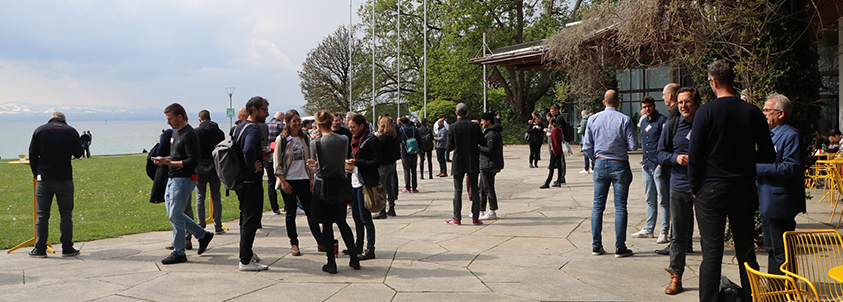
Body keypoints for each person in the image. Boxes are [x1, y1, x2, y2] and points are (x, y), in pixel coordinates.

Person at [688, 59, 775, 302]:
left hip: (711, 187)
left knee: (711, 254)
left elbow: (695, 155)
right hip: (743, 187)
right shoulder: (752, 112)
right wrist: (744, 159)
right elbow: (769, 155)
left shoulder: (705, 111)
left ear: (713, 82)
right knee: (747, 252)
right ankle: (752, 298)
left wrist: (695, 187)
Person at [152, 103, 215, 265]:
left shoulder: (189, 135)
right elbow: (177, 156)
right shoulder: (175, 132)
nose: (168, 122)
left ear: (180, 117)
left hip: (184, 179)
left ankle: (179, 252)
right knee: (175, 214)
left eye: (170, 119)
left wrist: (169, 162)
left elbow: (192, 161)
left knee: (176, 215)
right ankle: (202, 235)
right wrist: (165, 159)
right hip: (173, 178)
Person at [582, 89, 638, 258]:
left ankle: (596, 245)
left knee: (597, 206)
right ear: (618, 102)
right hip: (619, 163)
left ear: (603, 102)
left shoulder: (593, 119)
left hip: (600, 163)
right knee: (620, 207)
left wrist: (596, 159)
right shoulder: (625, 119)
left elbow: (587, 146)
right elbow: (633, 146)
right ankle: (620, 246)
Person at [657, 87, 702, 295]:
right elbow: (660, 153)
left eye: (688, 101)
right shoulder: (672, 125)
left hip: (703, 187)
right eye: (681, 102)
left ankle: (710, 279)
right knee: (678, 236)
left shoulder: (706, 125)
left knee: (709, 237)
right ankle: (676, 277)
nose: (683, 106)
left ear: (697, 103)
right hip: (679, 187)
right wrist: (676, 158)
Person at [757, 93, 805, 275]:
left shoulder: (791, 135)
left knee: (782, 252)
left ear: (781, 113)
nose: (764, 114)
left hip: (780, 203)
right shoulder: (768, 135)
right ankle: (775, 287)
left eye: (767, 110)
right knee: (771, 249)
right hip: (766, 200)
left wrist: (756, 167)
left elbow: (790, 168)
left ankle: (785, 287)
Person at [309, 110, 359, 274]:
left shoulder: (316, 143)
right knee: (342, 222)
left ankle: (331, 262)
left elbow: (317, 165)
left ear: (318, 125)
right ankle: (354, 258)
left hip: (323, 184)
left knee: (327, 225)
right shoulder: (344, 139)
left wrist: (314, 165)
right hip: (339, 182)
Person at [28, 112, 84, 258]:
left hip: (44, 177)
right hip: (64, 178)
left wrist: (36, 172)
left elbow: (32, 154)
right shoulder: (71, 131)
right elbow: (78, 154)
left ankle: (40, 248)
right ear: (64, 120)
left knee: (42, 215)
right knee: (66, 214)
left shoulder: (40, 130)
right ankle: (67, 247)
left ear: (51, 118)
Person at [273, 109, 322, 257]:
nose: (297, 123)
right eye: (294, 120)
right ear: (287, 122)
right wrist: (283, 182)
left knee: (311, 212)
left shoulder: (305, 138)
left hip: (304, 179)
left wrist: (312, 178)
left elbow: (310, 159)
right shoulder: (282, 139)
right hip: (288, 181)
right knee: (291, 213)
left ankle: (320, 241)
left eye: (298, 120)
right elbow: (277, 163)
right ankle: (294, 243)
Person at [232, 97, 271, 271]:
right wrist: (253, 167)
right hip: (251, 181)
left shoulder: (240, 127)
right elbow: (247, 150)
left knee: (245, 218)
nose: (267, 113)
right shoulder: (254, 129)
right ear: (254, 110)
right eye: (264, 110)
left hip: (241, 180)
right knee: (251, 220)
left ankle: (246, 252)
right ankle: (245, 260)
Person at [632, 96, 670, 244]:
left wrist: (661, 163)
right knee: (649, 198)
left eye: (649, 106)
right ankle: (649, 229)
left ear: (654, 106)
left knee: (663, 199)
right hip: (646, 165)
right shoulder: (643, 121)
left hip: (658, 165)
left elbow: (666, 142)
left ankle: (664, 231)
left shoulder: (662, 121)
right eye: (644, 107)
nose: (647, 109)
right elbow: (644, 142)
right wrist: (643, 161)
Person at [346, 113, 380, 260]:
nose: (351, 130)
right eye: (349, 127)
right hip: (354, 181)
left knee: (365, 218)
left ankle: (370, 249)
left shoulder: (371, 140)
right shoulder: (354, 140)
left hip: (365, 183)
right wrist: (349, 166)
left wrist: (357, 163)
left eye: (353, 127)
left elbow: (376, 162)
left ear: (361, 125)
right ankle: (358, 246)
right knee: (356, 217)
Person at [445, 103, 485, 226]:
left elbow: (449, 147)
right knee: (475, 189)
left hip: (458, 160)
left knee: (457, 190)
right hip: (472, 160)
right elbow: (483, 141)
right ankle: (475, 217)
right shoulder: (475, 126)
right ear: (467, 112)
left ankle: (457, 218)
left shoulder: (453, 127)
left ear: (456, 113)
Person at [194, 110, 226, 234]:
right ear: (210, 118)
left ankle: (201, 224)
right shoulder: (219, 133)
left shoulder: (196, 132)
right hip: (215, 168)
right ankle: (218, 225)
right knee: (216, 196)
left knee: (200, 197)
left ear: (200, 119)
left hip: (200, 168)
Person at [478, 112, 503, 220]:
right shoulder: (490, 132)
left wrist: (478, 147)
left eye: (482, 120)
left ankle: (492, 211)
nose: (481, 123)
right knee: (482, 188)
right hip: (486, 164)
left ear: (488, 121)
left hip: (489, 164)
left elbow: (490, 150)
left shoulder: (491, 134)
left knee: (488, 188)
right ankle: (481, 210)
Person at [374, 116, 400, 219]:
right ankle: (392, 208)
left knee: (382, 188)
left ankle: (382, 210)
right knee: (389, 186)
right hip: (392, 164)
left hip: (383, 165)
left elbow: (377, 152)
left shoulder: (381, 138)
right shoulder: (394, 137)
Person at [266, 111, 285, 215]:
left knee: (271, 182)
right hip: (278, 157)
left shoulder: (266, 125)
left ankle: (275, 208)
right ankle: (287, 205)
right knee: (282, 180)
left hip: (268, 156)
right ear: (282, 117)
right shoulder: (280, 125)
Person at [540, 118, 564, 189]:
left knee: (551, 167)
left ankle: (547, 182)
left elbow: (555, 142)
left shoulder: (554, 130)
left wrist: (556, 151)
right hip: (559, 151)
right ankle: (559, 181)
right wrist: (561, 151)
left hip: (554, 151)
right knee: (559, 166)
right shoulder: (560, 130)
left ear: (550, 123)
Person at [399, 116, 421, 193]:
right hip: (414, 152)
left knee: (406, 171)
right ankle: (414, 187)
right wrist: (418, 150)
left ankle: (407, 187)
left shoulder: (401, 130)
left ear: (401, 122)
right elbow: (420, 140)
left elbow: (399, 140)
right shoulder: (415, 129)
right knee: (414, 170)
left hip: (405, 152)